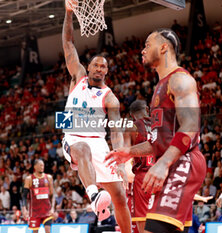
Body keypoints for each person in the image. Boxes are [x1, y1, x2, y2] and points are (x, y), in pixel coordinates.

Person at [105, 28, 206, 233]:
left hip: (184, 161)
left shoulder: (180, 79)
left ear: (163, 47)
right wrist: (129, 152)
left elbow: (190, 126)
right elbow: (158, 142)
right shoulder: (159, 86)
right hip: (173, 163)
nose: (142, 50)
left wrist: (163, 163)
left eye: (147, 45)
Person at [62, 2, 131, 232]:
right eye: (96, 65)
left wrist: (119, 157)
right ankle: (94, 195)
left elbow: (116, 130)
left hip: (99, 142)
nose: (99, 68)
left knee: (119, 197)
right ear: (88, 67)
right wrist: (68, 12)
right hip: (73, 138)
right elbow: (69, 43)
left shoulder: (110, 98)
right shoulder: (78, 77)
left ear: (107, 72)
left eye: (104, 67)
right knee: (83, 148)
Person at [124, 100, 152, 233]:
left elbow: (124, 152)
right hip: (161, 174)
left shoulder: (132, 127)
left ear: (131, 115)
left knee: (142, 219)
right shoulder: (159, 125)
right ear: (147, 109)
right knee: (163, 218)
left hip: (143, 177)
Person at [22, 159, 55, 233]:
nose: (42, 167)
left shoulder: (49, 177)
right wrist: (24, 209)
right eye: (40, 165)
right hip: (34, 212)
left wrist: (52, 208)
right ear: (35, 167)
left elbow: (52, 195)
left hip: (47, 210)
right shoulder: (29, 179)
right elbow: (24, 196)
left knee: (48, 230)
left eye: (43, 165)